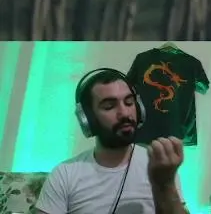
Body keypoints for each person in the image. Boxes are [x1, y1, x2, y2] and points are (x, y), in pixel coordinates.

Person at [36, 68, 188, 214]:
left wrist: (165, 184)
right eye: (109, 106)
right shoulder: (65, 174)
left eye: (129, 103)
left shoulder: (160, 165)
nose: (124, 113)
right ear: (88, 119)